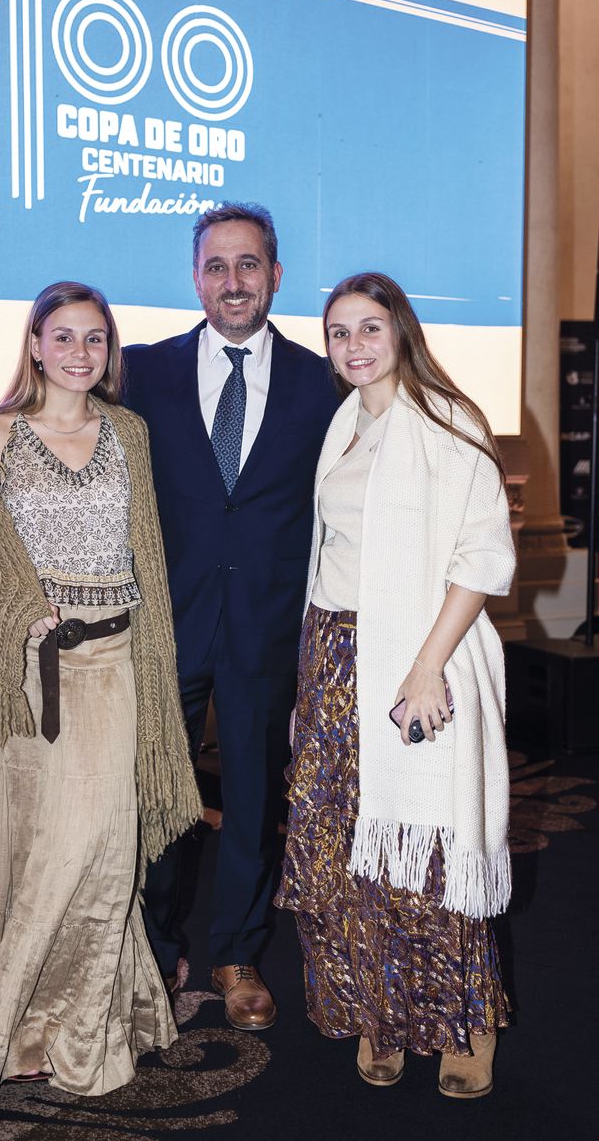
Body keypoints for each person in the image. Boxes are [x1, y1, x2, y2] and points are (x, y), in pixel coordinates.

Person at [0, 281, 201, 1105]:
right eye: (63, 337)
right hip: (18, 680)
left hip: (115, 666)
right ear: (34, 344)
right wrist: (17, 610)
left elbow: (146, 556)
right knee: (14, 850)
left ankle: (74, 1025)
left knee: (95, 848)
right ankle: (18, 1030)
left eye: (95, 339)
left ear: (110, 349)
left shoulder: (128, 433)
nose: (79, 353)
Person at [276, 271, 515, 1098]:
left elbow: (481, 559)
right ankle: (382, 1011)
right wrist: (311, 680)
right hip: (335, 653)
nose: (353, 346)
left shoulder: (449, 423)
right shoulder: (345, 423)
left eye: (369, 328)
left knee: (432, 844)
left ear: (402, 330)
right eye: (338, 332)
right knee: (347, 845)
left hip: (417, 660)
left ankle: (461, 1025)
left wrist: (426, 666)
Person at [123, 202, 339, 1030]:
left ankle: (237, 951)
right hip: (166, 621)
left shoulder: (324, 383)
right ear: (196, 278)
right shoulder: (143, 372)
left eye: (249, 265)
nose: (233, 281)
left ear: (275, 275)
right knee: (161, 797)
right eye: (217, 266)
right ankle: (151, 943)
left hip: (266, 625)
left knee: (253, 796)